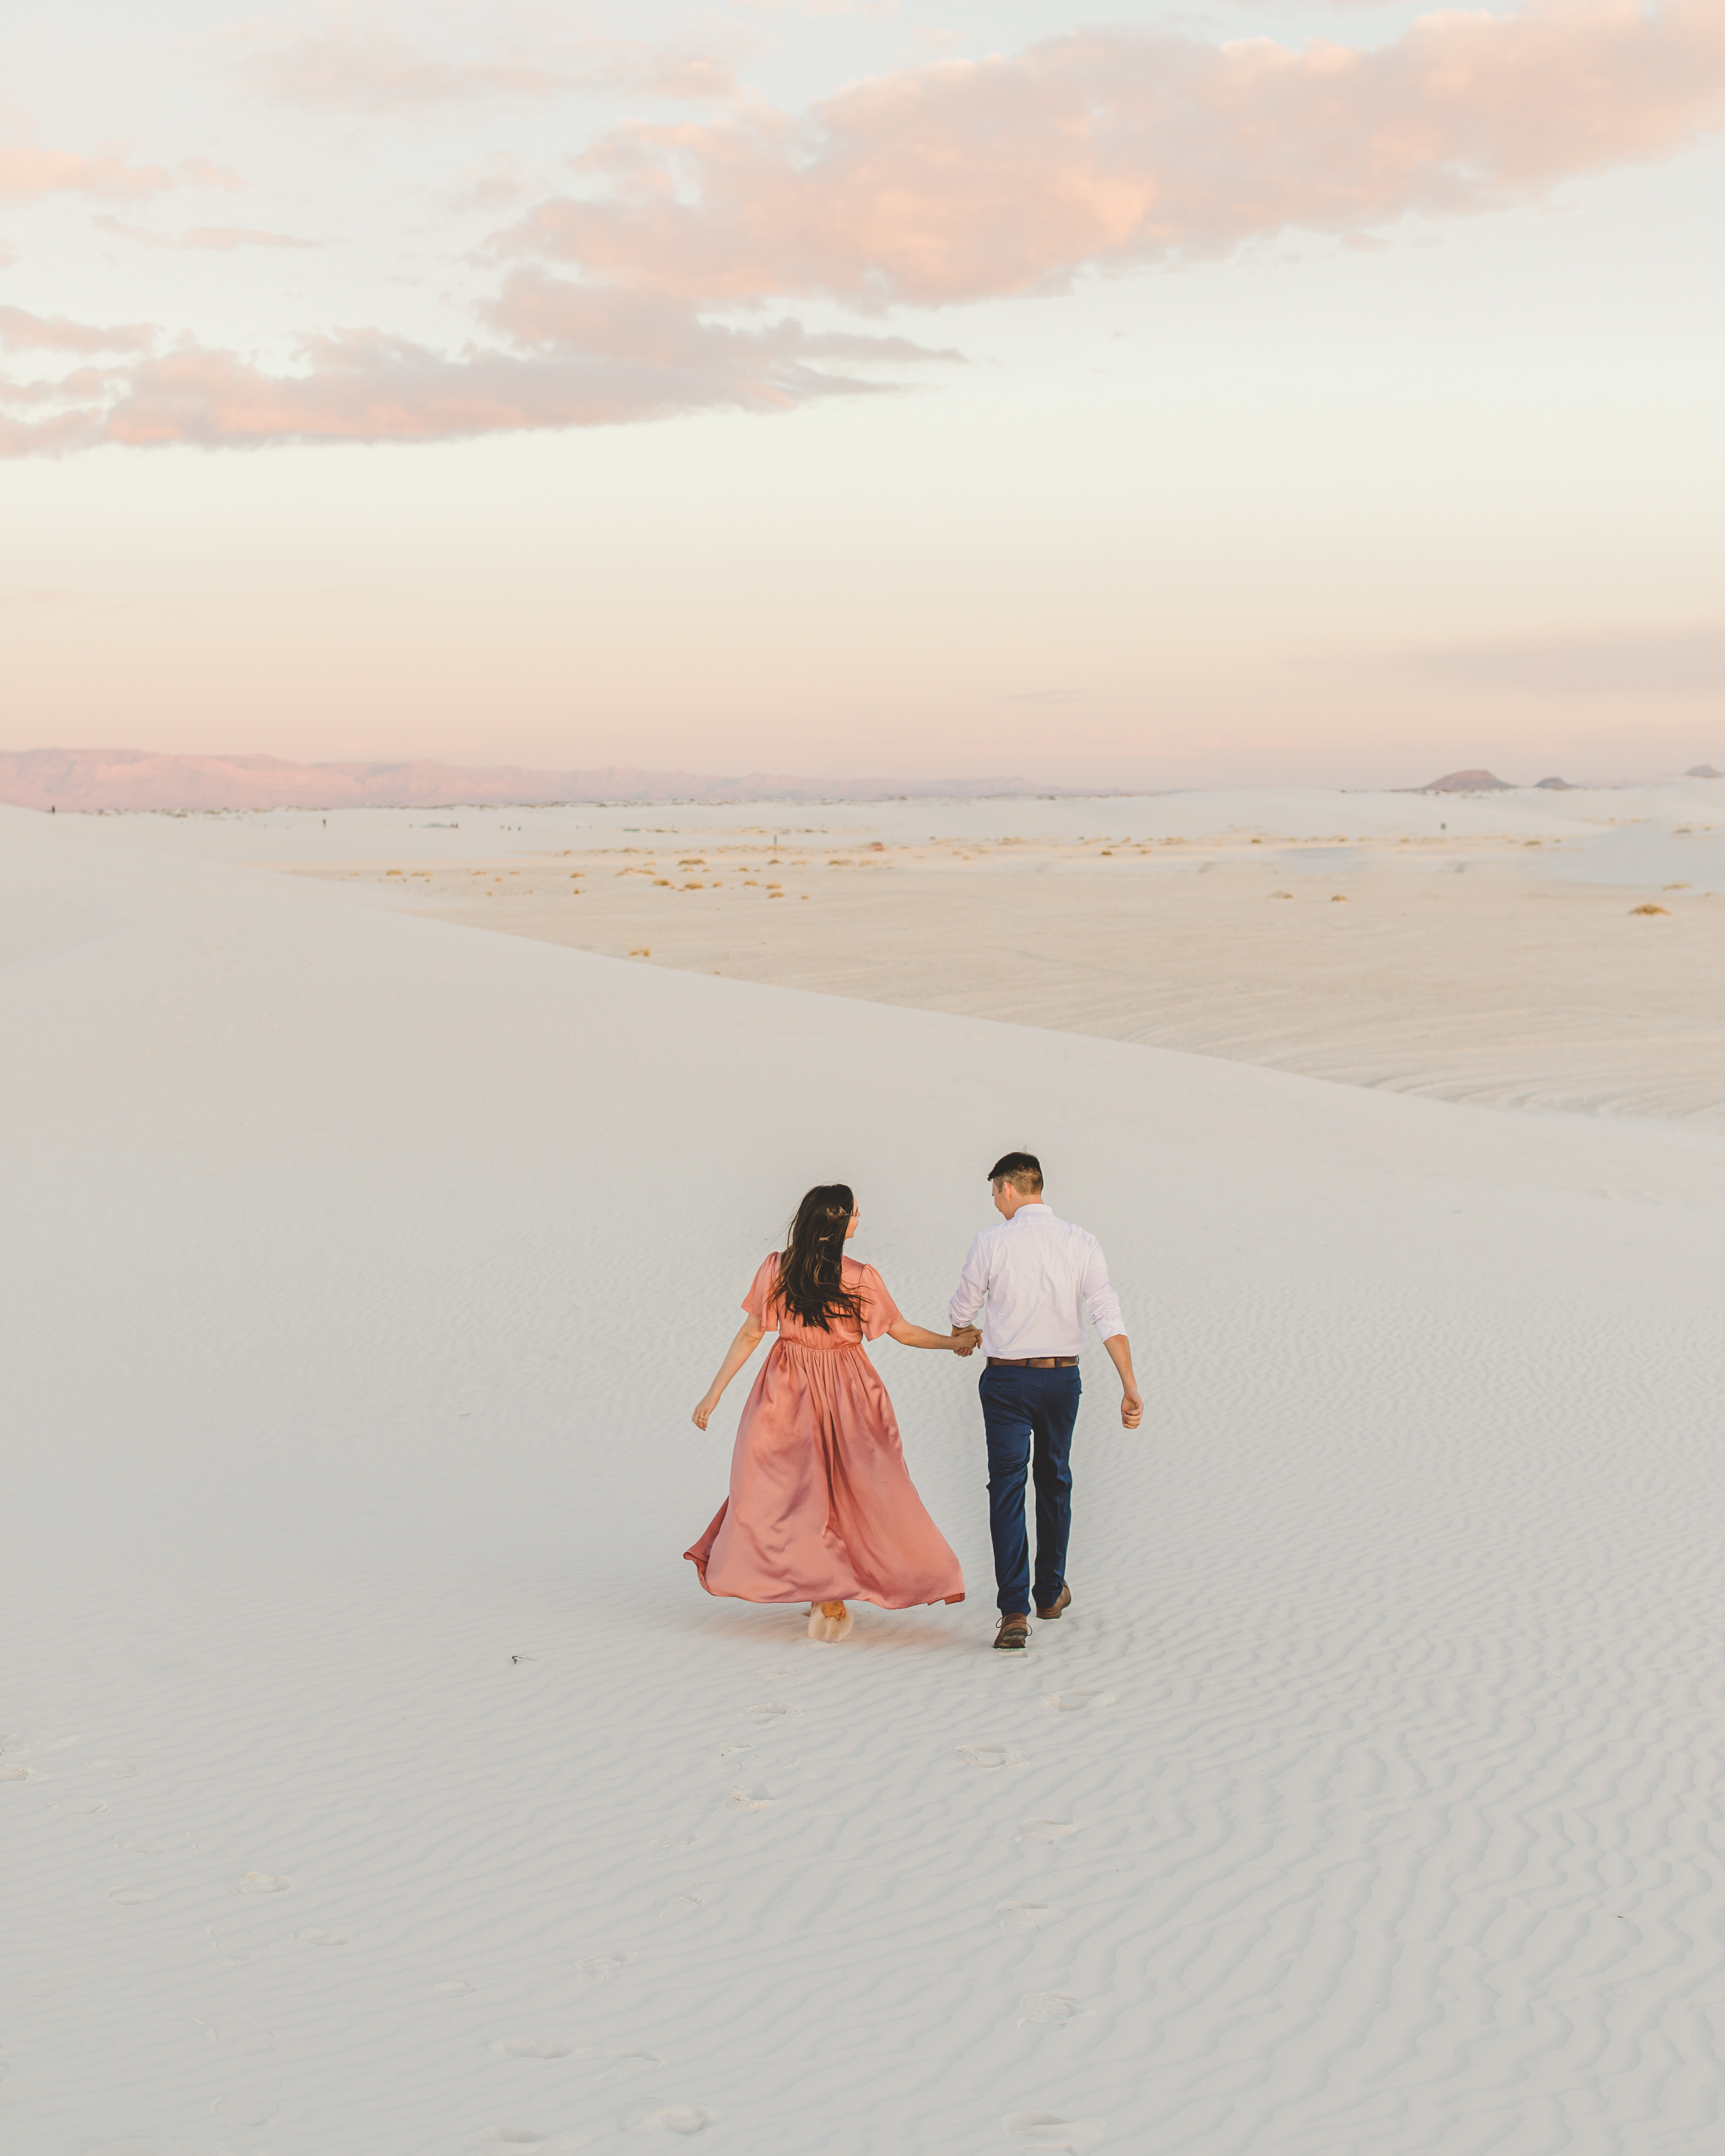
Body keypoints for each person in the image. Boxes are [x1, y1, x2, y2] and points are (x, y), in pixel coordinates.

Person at [687, 1183, 979, 1641]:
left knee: (787, 1488)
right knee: (850, 1487)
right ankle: (827, 1589)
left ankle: (824, 1589)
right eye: (856, 1214)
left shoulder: (777, 1269)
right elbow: (901, 1331)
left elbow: (750, 1334)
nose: (861, 1220)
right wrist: (953, 1342)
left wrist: (715, 1393)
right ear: (837, 1223)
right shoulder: (860, 1276)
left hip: (786, 1385)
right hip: (848, 1387)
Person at [948, 1152, 1142, 1651]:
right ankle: (1050, 1592)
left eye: (994, 1191)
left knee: (1007, 1488)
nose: (993, 1201)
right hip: (1061, 1380)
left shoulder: (991, 1242)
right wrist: (1129, 1385)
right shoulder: (1082, 1241)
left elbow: (962, 1309)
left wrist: (964, 1330)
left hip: (1007, 1382)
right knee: (1055, 1477)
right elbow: (1107, 1314)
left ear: (1011, 1187)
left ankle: (1014, 1610)